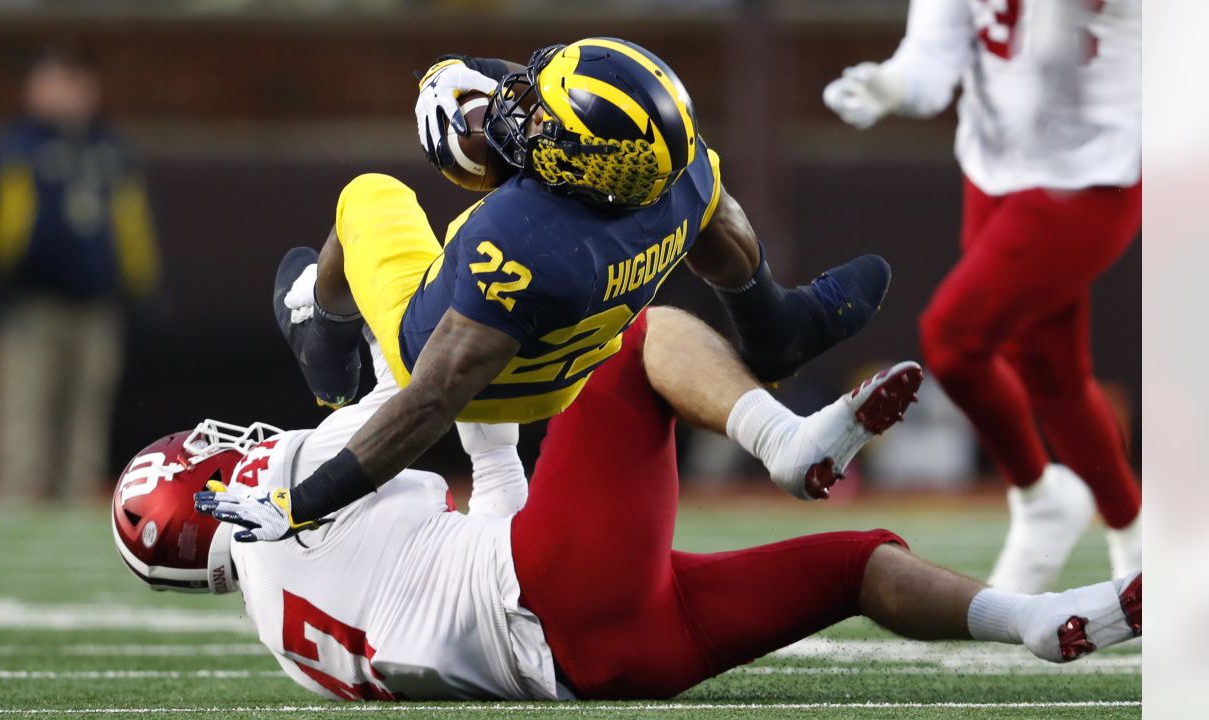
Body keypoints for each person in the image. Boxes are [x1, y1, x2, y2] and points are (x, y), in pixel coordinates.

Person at [112, 304, 1139, 702]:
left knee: (855, 564)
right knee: (635, 340)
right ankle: (784, 438)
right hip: (552, 592)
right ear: (210, 497)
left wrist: (486, 420)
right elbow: (431, 373)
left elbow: (471, 544)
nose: (233, 449)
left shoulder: (287, 639)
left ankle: (1040, 623)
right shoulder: (290, 495)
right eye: (208, 459)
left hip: (601, 663)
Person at [211, 37, 893, 540]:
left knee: (369, 198)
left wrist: (302, 502)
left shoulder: (514, 239)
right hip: (571, 365)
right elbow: (710, 214)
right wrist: (767, 316)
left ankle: (323, 342)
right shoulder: (680, 173)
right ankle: (775, 325)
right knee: (692, 207)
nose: (526, 111)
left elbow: (433, 400)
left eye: (544, 115)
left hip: (485, 377)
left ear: (581, 159)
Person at [822, 0, 1141, 592]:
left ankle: (1039, 496)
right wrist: (891, 85)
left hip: (1090, 171)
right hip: (995, 168)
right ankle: (1134, 534)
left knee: (953, 339)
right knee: (1053, 373)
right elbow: (934, 60)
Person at [0, 40, 161, 503]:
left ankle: (76, 497)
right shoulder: (15, 148)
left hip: (95, 303)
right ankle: (17, 499)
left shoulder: (110, 150)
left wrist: (142, 285)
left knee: (86, 414)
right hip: (31, 303)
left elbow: (132, 224)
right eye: (56, 80)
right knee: (24, 412)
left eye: (77, 82)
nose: (67, 93)